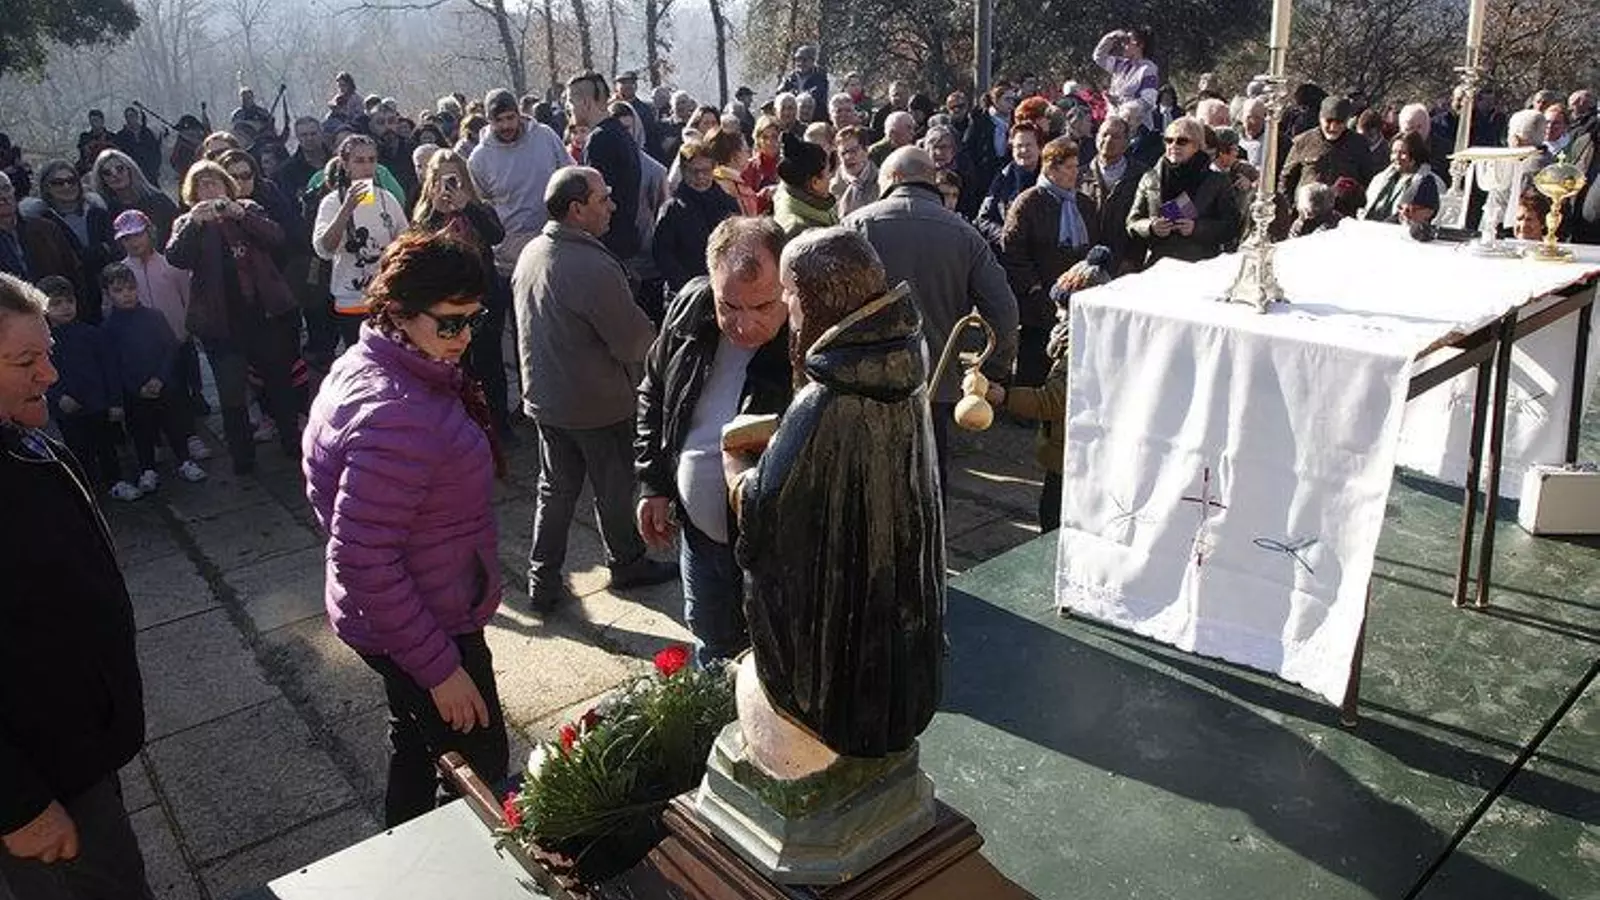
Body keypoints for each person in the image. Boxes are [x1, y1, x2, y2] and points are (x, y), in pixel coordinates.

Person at [302, 231, 509, 828]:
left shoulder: (371, 361)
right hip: (427, 623)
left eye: (474, 319)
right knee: (479, 771)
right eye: (450, 323)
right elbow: (362, 557)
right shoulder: (398, 414)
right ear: (397, 313)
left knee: (418, 743)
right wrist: (440, 669)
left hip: (399, 615)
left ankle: (402, 848)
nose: (465, 337)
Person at [730, 227, 943, 759]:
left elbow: (767, 510)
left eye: (789, 294)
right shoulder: (904, 370)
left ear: (818, 300)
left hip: (833, 667)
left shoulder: (824, 399)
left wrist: (735, 470)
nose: (786, 306)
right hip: (897, 615)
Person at [0, 272, 158, 900]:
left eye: (48, 353)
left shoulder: (20, 441)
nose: (50, 374)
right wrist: (17, 805)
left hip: (76, 748)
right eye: (25, 362)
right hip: (38, 784)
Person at [512, 167, 676, 611]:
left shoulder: (533, 251)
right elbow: (634, 342)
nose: (612, 206)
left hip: (547, 399)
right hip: (597, 403)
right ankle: (627, 562)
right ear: (577, 209)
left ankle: (542, 578)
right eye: (603, 199)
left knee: (555, 490)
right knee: (615, 489)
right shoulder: (590, 265)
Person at [636, 217, 793, 669]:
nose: (743, 324)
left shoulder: (807, 340)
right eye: (729, 306)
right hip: (700, 537)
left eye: (762, 306)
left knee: (772, 661)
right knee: (712, 648)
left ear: (786, 287)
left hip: (769, 553)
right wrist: (653, 482)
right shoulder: (690, 307)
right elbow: (654, 391)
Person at [844, 147, 1018, 495]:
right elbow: (1004, 311)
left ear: (892, 179)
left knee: (866, 483)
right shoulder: (965, 233)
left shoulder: (856, 226)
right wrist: (989, 370)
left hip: (866, 380)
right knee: (928, 482)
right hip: (935, 383)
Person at [166, 160, 301, 473]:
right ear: (192, 192)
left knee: (279, 381)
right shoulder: (187, 222)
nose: (209, 189)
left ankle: (292, 441)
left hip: (262, 313)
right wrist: (193, 224)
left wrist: (241, 215)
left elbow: (276, 237)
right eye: (202, 185)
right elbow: (177, 257)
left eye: (214, 182)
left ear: (227, 186)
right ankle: (242, 456)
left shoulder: (247, 209)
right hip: (221, 321)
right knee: (231, 390)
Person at [987, 246, 1113, 530]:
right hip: (1070, 453)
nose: (1057, 314)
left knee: (1054, 519)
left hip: (1072, 455)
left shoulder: (1084, 350)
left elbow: (1053, 401)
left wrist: (1005, 397)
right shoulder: (1083, 341)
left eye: (1063, 307)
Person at [412, 150, 512, 441]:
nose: (449, 186)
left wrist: (466, 206)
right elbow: (419, 247)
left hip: (484, 298)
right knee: (458, 366)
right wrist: (436, 210)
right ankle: (465, 425)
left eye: (454, 179)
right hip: (448, 303)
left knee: (491, 363)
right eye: (442, 180)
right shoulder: (425, 213)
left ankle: (500, 425)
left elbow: (496, 235)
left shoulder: (479, 207)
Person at [1001, 137, 1101, 387]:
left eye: (1076, 166)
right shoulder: (1028, 202)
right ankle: (1025, 401)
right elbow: (1012, 249)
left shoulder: (1084, 204)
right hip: (1039, 299)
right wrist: (1033, 286)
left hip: (1076, 296)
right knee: (1035, 361)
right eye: (1069, 167)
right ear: (1051, 169)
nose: (1075, 173)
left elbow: (1094, 243)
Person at [100, 261, 207, 492]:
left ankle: (185, 461)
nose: (126, 294)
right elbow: (113, 365)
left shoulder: (154, 316)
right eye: (118, 290)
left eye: (130, 288)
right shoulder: (108, 329)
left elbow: (170, 349)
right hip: (134, 392)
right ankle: (147, 468)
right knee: (141, 431)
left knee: (175, 425)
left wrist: (160, 378)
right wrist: (129, 390)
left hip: (164, 385)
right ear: (107, 294)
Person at [39, 275, 139, 501]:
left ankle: (115, 481)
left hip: (97, 404)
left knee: (106, 446)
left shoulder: (92, 334)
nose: (65, 307)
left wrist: (115, 402)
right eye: (56, 303)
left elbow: (109, 369)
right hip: (67, 408)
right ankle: (87, 488)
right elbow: (41, 376)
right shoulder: (42, 342)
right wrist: (58, 397)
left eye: (69, 301)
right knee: (78, 450)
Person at [114, 210, 209, 441]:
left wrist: (189, 330)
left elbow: (188, 299)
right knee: (154, 394)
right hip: (145, 349)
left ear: (150, 233)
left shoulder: (172, 263)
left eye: (138, 235)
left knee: (185, 390)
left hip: (178, 340)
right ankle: (160, 439)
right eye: (126, 238)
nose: (133, 242)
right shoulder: (121, 272)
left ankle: (191, 436)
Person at [313, 135, 409, 349]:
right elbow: (324, 249)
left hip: (386, 298)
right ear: (346, 164)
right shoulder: (331, 202)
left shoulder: (387, 198)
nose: (367, 166)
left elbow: (404, 242)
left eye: (371, 160)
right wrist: (346, 209)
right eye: (359, 161)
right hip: (351, 301)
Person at [468, 88, 572, 283]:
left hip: (556, 240)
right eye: (499, 120)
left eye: (510, 118)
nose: (506, 125)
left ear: (519, 114)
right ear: (489, 121)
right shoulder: (479, 159)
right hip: (512, 256)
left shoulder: (545, 136)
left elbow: (569, 174)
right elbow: (484, 205)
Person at [1126, 116, 1240, 265]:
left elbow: (1231, 226)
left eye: (1182, 141)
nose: (1174, 145)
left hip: (1200, 264)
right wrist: (1151, 227)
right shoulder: (1150, 178)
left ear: (1197, 146)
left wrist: (1197, 228)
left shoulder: (1216, 181)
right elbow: (1132, 222)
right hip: (1159, 264)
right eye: (1169, 140)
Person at [22, 160, 118, 325]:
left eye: (71, 180)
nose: (66, 186)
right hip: (69, 300)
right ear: (46, 187)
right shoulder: (41, 224)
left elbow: (115, 249)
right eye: (58, 183)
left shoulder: (97, 212)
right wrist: (98, 251)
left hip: (110, 291)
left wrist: (84, 256)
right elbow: (63, 262)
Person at [567, 72, 643, 264]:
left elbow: (595, 199)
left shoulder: (599, 140)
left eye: (571, 102)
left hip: (607, 246)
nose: (569, 109)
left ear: (585, 102)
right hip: (623, 240)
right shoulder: (619, 133)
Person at [653, 140, 739, 296]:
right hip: (686, 293)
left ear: (713, 169)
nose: (700, 177)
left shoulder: (728, 205)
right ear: (683, 171)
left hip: (724, 289)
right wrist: (689, 288)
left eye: (705, 170)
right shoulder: (672, 210)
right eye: (693, 171)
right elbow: (663, 255)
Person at [1278, 96, 1376, 230]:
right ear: (1320, 118)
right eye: (1328, 121)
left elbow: (1368, 179)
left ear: (1347, 121)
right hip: (1306, 215)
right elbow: (1286, 178)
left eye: (1339, 122)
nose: (1333, 127)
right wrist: (1290, 209)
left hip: (1343, 218)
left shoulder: (1359, 144)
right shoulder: (1303, 141)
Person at [1080, 116, 1149, 272]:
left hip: (1126, 262)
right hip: (1087, 263)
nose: (1108, 140)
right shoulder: (1078, 176)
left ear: (1127, 142)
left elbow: (1146, 218)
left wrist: (1133, 258)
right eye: (1104, 134)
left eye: (1116, 136)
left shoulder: (1142, 175)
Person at [0, 172, 81, 291]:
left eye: (6, 188)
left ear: (13, 190)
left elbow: (74, 273)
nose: (3, 196)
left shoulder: (47, 229)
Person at [88, 149, 179, 248]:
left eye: (120, 168)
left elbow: (178, 232)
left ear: (130, 169)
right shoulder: (102, 211)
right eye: (107, 172)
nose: (115, 175)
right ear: (102, 179)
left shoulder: (158, 201)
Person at [977, 122, 1043, 247]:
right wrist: (1005, 237)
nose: (1024, 150)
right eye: (1019, 146)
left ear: (1039, 148)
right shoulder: (1002, 178)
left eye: (1028, 145)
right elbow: (983, 219)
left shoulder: (1052, 176)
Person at [1361, 131, 1445, 224]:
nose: (1397, 157)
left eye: (1403, 153)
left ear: (1415, 155)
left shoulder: (1427, 182)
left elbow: (1422, 217)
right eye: (1394, 152)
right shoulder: (1380, 179)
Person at [772, 132, 839, 239]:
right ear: (815, 182)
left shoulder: (790, 190)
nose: (831, 177)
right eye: (828, 172)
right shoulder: (800, 230)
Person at [1093, 28, 1160, 129]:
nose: (1123, 45)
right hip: (1115, 122)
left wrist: (1124, 105)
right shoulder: (1120, 64)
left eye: (1128, 42)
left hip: (1137, 127)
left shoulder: (1148, 68)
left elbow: (1148, 100)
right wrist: (1111, 37)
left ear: (1140, 45)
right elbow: (1099, 57)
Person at [706, 127, 761, 216]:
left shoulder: (715, 181)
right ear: (735, 155)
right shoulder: (733, 188)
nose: (749, 153)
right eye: (745, 149)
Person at [830, 125, 880, 217]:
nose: (848, 157)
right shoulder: (831, 188)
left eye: (854, 151)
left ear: (866, 151)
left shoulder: (882, 181)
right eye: (843, 153)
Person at [113, 107, 163, 187]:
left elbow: (156, 152)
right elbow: (119, 155)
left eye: (132, 115)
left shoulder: (147, 133)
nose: (130, 119)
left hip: (149, 173)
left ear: (136, 117)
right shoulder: (121, 136)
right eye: (127, 116)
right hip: (131, 174)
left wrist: (154, 169)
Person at [779, 45, 830, 123]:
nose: (800, 63)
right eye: (797, 59)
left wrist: (797, 97)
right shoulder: (790, 78)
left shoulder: (820, 77)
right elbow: (779, 93)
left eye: (804, 60)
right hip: (793, 119)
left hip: (815, 119)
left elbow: (817, 95)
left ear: (812, 61)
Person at [75, 111, 117, 176]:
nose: (93, 124)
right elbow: (83, 155)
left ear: (102, 121)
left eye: (96, 120)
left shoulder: (112, 137)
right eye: (91, 121)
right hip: (90, 170)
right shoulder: (85, 138)